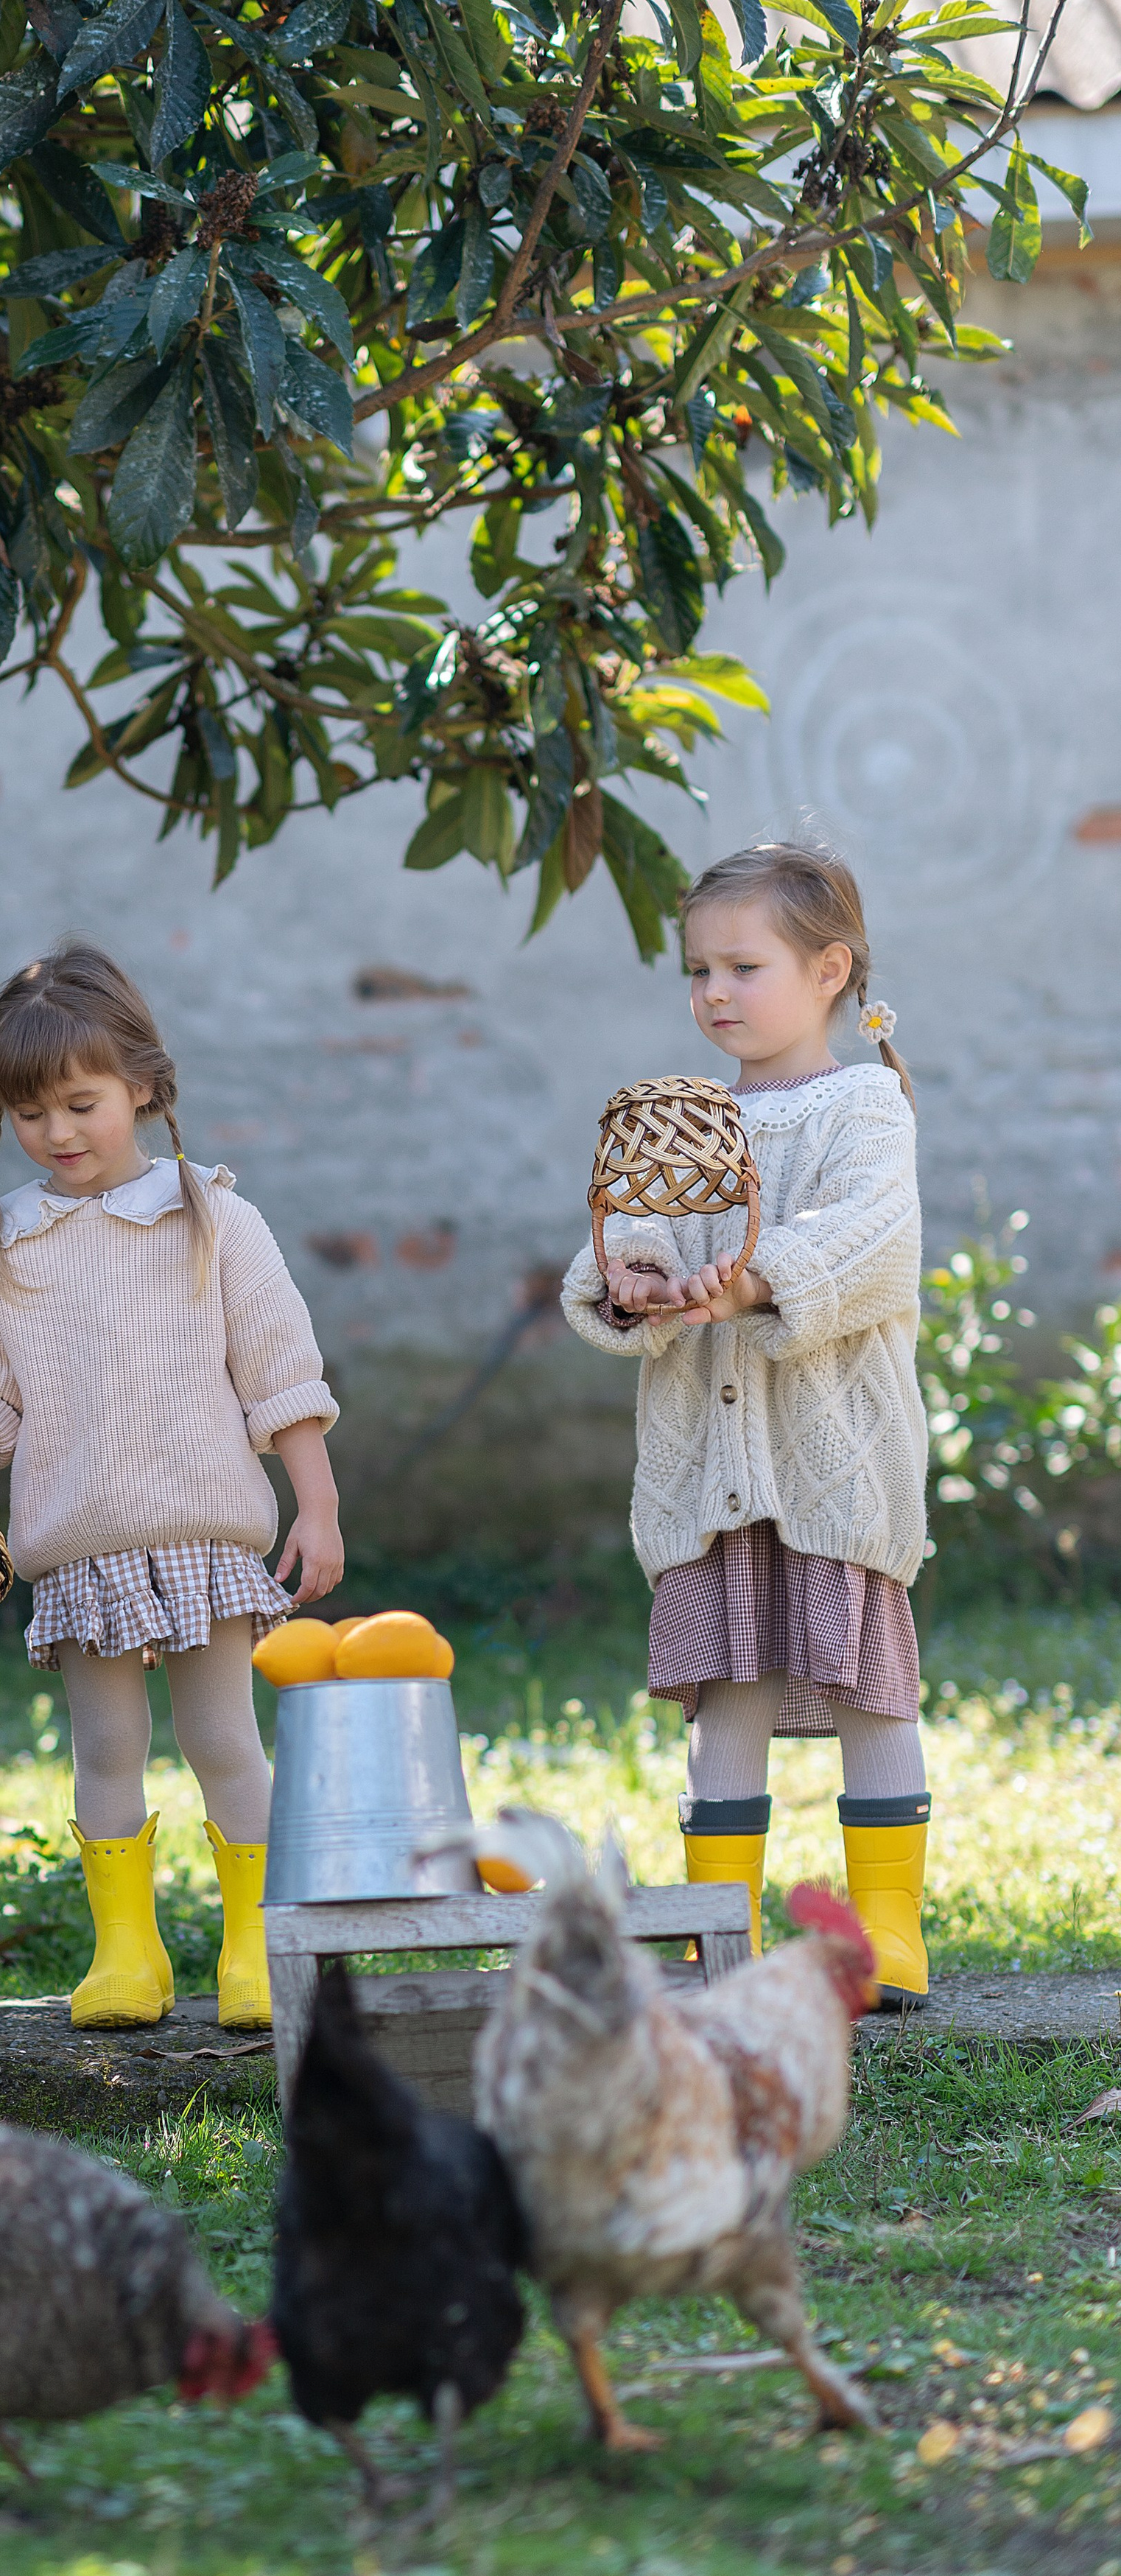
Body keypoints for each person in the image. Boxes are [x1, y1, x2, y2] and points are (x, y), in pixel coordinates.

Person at [0, 942, 342, 2031]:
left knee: (224, 1740)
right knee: (105, 1749)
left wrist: (317, 1505)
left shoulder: (214, 1221)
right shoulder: (5, 1240)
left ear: (142, 1085)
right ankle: (128, 1956)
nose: (58, 1134)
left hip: (203, 1535)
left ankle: (257, 1947)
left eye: (82, 1104)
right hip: (78, 1542)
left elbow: (279, 1372)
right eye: (31, 1113)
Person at [560, 841, 930, 2005]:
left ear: (829, 971)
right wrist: (634, 1279)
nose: (713, 993)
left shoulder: (868, 1106)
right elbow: (639, 1227)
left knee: (871, 1685)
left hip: (836, 1468)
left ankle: (887, 1928)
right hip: (710, 1474)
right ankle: (718, 1928)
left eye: (743, 967)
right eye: (696, 971)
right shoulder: (692, 1120)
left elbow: (867, 1243)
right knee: (729, 1694)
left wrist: (752, 1279)